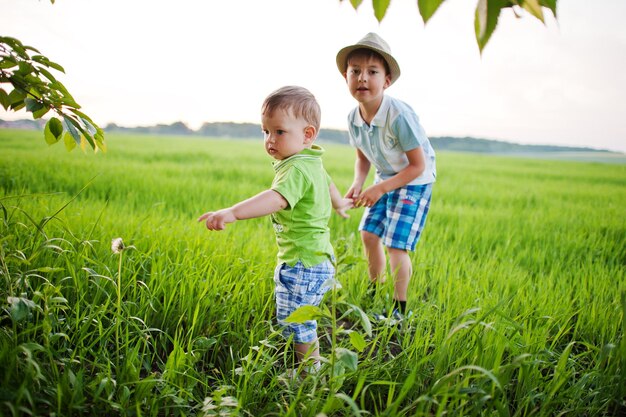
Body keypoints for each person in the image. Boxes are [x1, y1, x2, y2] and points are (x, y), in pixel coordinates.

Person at [198, 86, 353, 372]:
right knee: (302, 315)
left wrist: (232, 212)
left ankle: (310, 371)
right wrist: (339, 203)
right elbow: (329, 184)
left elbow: (276, 198)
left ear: (307, 135)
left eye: (279, 132)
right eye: (265, 131)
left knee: (296, 319)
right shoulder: (312, 161)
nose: (270, 140)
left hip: (302, 263)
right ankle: (311, 361)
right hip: (318, 258)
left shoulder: (295, 169)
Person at [336, 33, 436, 319]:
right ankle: (374, 289)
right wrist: (358, 183)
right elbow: (362, 157)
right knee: (368, 233)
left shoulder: (398, 116)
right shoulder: (353, 118)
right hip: (387, 175)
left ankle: (399, 310)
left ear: (387, 80)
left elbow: (417, 166)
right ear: (346, 77)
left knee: (396, 244)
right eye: (355, 71)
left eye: (372, 72)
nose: (362, 78)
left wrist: (379, 189)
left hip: (415, 180)